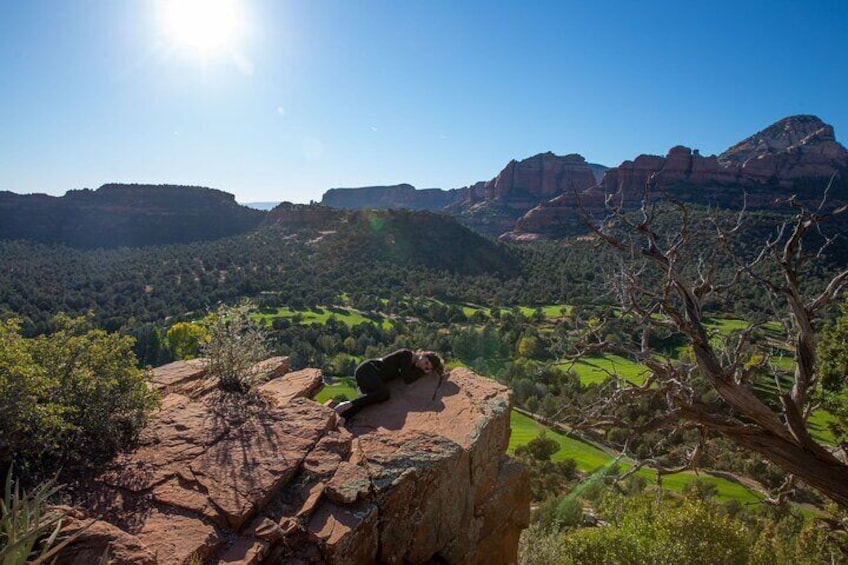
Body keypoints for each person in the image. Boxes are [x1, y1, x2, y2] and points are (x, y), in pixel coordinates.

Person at [334, 349, 444, 424]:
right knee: (383, 394)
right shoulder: (407, 354)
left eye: (427, 367)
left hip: (373, 377)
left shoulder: (413, 367)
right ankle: (347, 404)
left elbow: (408, 376)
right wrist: (423, 372)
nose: (424, 367)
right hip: (368, 370)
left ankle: (344, 418)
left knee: (370, 399)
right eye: (426, 363)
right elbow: (407, 379)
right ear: (423, 355)